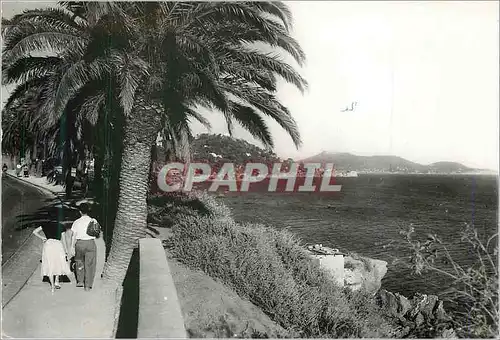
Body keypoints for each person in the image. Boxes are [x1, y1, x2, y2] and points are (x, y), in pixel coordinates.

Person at [32, 223, 72, 293]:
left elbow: (34, 231)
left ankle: (52, 286)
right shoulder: (61, 226)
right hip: (58, 245)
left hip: (48, 244)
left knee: (50, 263)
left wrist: (42, 238)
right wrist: (66, 251)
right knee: (58, 263)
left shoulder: (45, 225)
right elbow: (63, 239)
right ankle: (57, 281)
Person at [70, 202, 98, 290]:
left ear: (80, 212)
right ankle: (88, 285)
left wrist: (72, 247)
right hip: (90, 243)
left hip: (80, 243)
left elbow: (73, 236)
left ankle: (80, 281)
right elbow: (97, 233)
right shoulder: (93, 220)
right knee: (90, 264)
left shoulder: (76, 222)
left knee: (79, 261)